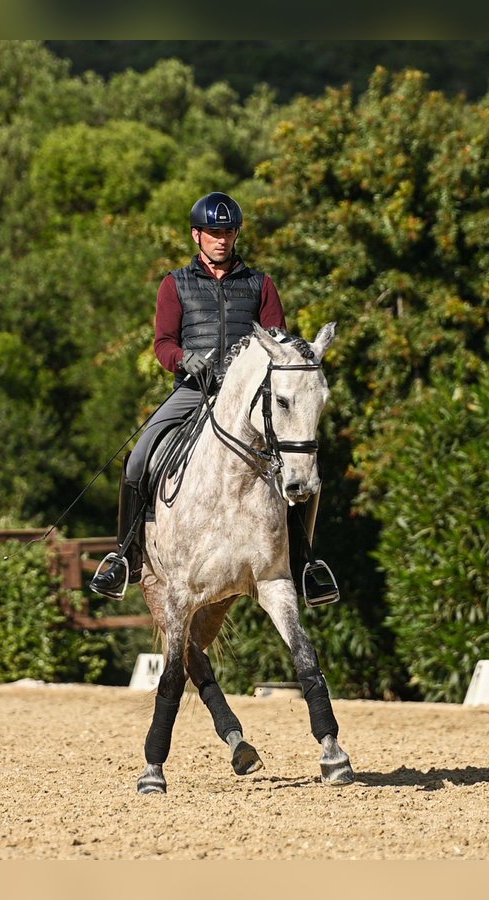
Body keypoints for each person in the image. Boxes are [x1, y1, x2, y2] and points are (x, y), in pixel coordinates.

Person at [90, 191, 336, 605]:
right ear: (196, 235)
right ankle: (125, 557)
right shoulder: (176, 284)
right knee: (138, 457)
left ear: (236, 235)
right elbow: (163, 343)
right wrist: (185, 360)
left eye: (227, 232)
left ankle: (305, 563)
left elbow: (279, 342)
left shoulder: (259, 283)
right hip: (193, 390)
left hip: (247, 399)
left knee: (303, 467)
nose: (221, 239)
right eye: (212, 232)